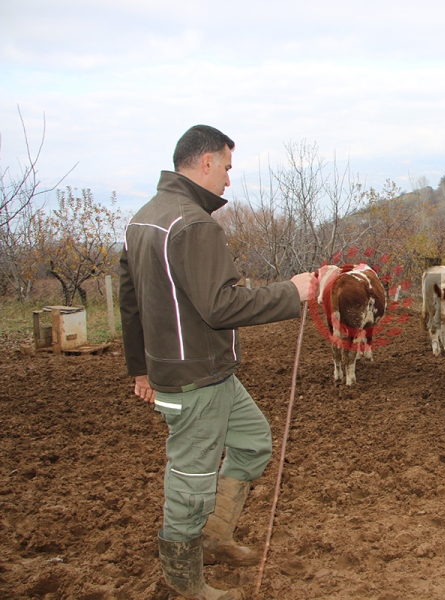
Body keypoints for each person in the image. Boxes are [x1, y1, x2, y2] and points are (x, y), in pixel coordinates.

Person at [119, 125, 316, 600]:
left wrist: (139, 368)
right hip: (195, 380)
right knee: (190, 480)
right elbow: (221, 306)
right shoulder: (194, 224)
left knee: (252, 443)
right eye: (227, 168)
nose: (229, 180)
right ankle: (184, 583)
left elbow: (130, 301)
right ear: (206, 162)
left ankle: (214, 537)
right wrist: (293, 292)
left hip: (208, 371)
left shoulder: (145, 218)